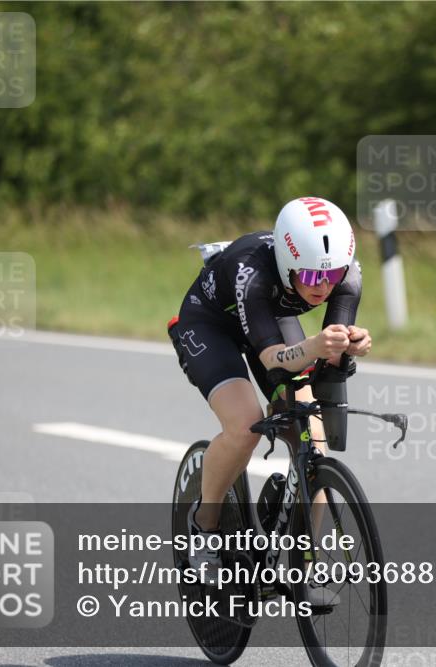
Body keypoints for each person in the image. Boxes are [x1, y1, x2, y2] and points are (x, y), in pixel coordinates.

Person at [168, 196, 372, 574]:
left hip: (271, 319)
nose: (322, 287)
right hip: (212, 325)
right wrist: (313, 346)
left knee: (315, 443)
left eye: (332, 275)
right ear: (287, 263)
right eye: (311, 276)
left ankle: (301, 562)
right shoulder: (254, 271)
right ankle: (203, 527)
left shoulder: (346, 275)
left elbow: (328, 356)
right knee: (245, 425)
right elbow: (271, 357)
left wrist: (350, 345)